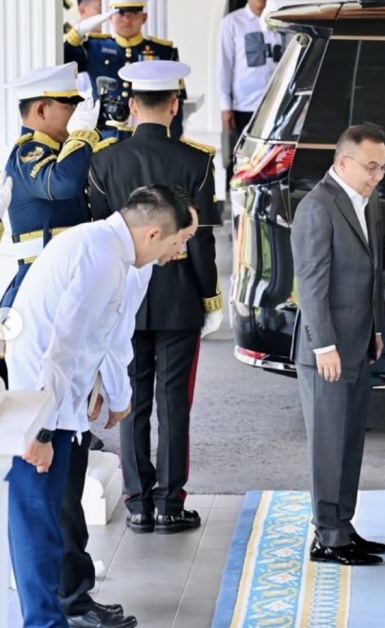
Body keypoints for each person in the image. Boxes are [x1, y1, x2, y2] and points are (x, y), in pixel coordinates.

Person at [5, 184, 193, 628]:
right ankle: (43, 623)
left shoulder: (106, 248)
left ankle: (50, 617)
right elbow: (62, 346)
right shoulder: (101, 256)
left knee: (50, 521)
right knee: (38, 523)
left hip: (54, 402)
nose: (176, 253)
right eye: (176, 242)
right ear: (151, 234)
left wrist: (100, 391)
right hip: (41, 405)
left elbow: (96, 338)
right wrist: (43, 431)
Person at [88, 61, 222, 535]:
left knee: (132, 399)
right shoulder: (197, 161)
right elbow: (200, 238)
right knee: (173, 402)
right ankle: (170, 502)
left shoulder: (104, 161)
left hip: (123, 297)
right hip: (178, 296)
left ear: (129, 106)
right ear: (174, 104)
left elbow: (102, 238)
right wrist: (209, 296)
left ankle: (138, 503)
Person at [290, 124, 385, 566]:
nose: (378, 175)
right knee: (328, 445)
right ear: (343, 162)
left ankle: (342, 525)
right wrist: (323, 345)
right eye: (371, 167)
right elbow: (310, 284)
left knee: (349, 443)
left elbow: (370, 274)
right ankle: (327, 538)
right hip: (327, 349)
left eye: (382, 167)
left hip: (359, 342)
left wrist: (377, 329)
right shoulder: (318, 207)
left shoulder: (365, 205)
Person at [1, 62, 104, 386]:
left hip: (62, 280)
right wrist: (83, 135)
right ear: (41, 110)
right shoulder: (29, 152)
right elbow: (61, 184)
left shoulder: (60, 150)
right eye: (68, 104)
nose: (75, 112)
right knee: (38, 390)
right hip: (38, 284)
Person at [64, 1, 186, 139]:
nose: (127, 19)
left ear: (144, 17)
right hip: (105, 135)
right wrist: (77, 32)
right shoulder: (94, 47)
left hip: (147, 136)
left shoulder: (163, 51)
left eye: (134, 13)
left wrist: (171, 139)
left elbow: (176, 100)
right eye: (120, 13)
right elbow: (63, 62)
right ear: (110, 18)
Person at [218, 0, 282, 199]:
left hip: (277, 104)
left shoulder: (281, 18)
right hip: (244, 104)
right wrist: (225, 105)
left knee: (273, 157)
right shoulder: (232, 22)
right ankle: (238, 197)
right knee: (244, 157)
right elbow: (224, 66)